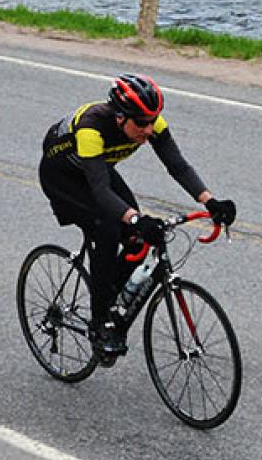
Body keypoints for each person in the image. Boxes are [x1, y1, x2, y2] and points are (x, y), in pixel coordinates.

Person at [39, 72, 237, 361]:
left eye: (152, 121)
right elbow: (100, 190)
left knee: (137, 239)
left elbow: (178, 166)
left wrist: (210, 201)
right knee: (106, 230)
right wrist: (135, 218)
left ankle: (109, 295)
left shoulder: (150, 122)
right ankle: (100, 324)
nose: (148, 129)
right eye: (141, 123)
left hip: (98, 169)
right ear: (120, 117)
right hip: (64, 178)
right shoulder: (91, 128)